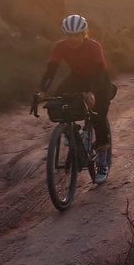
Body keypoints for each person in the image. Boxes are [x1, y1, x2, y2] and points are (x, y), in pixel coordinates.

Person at [36, 14, 113, 183]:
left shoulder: (94, 46)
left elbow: (99, 72)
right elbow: (51, 70)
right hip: (77, 76)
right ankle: (68, 131)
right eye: (69, 35)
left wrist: (92, 92)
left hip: (99, 79)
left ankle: (102, 163)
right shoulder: (60, 47)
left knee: (98, 116)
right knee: (60, 98)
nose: (72, 39)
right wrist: (42, 90)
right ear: (65, 35)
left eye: (76, 35)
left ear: (83, 34)